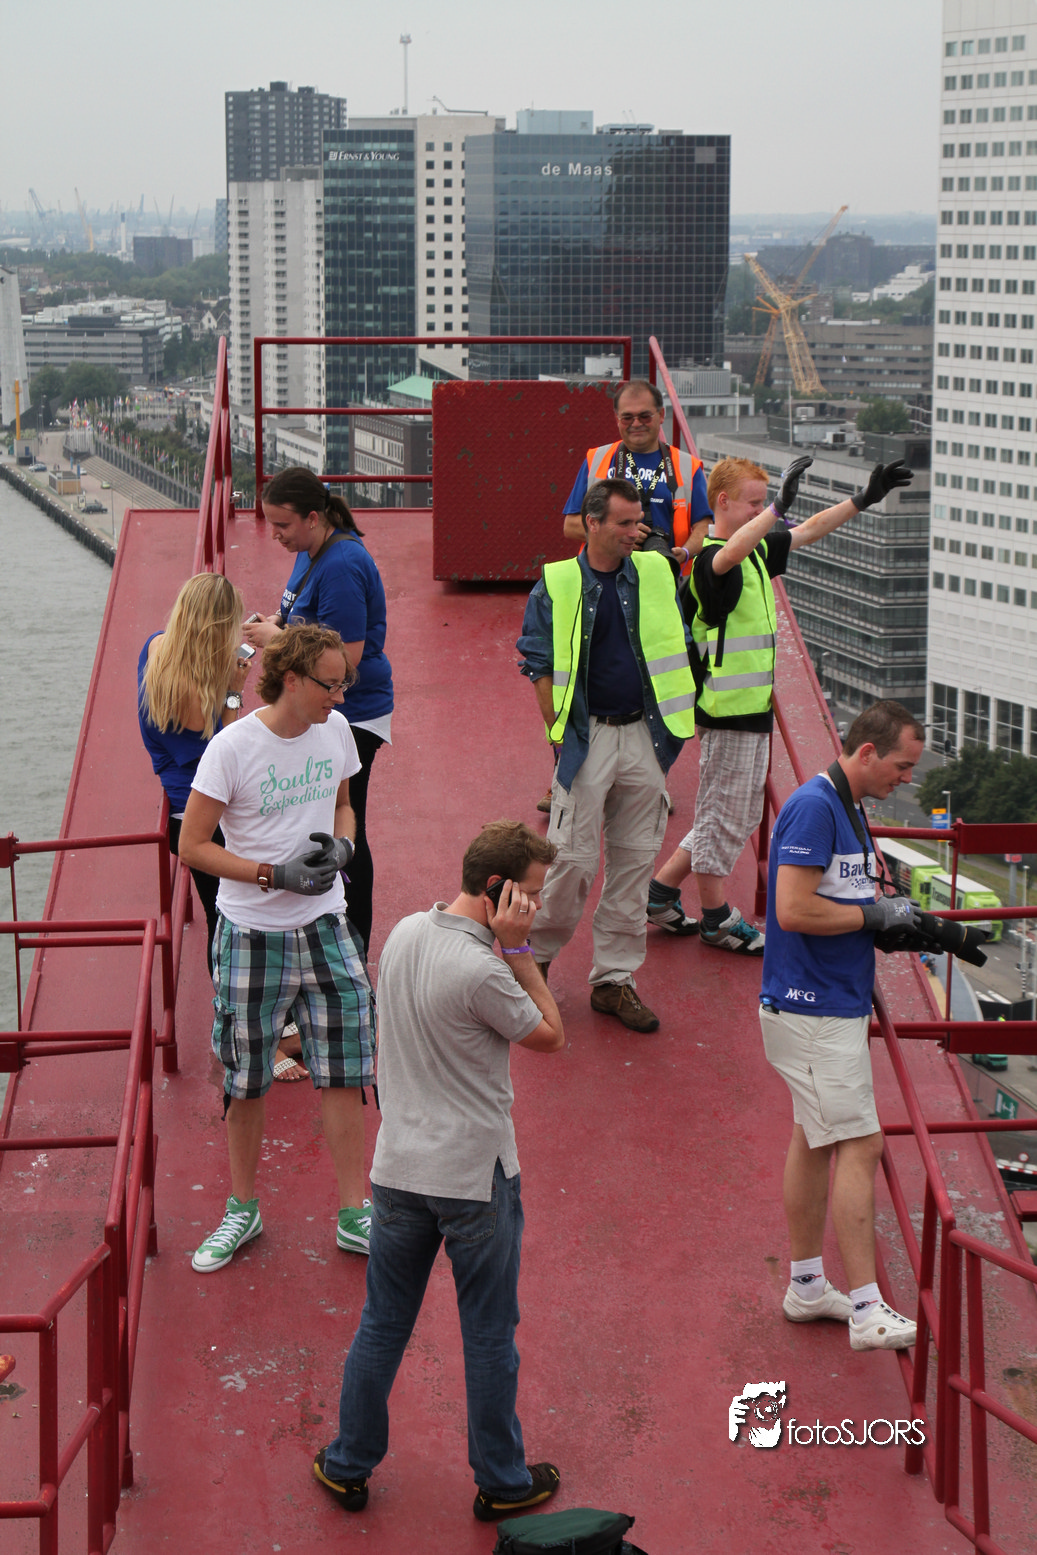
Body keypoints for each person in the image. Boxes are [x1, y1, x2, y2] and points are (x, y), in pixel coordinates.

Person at [313, 820, 564, 1523]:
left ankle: (347, 1463)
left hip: (396, 1170)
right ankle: (502, 1480)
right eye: (531, 893)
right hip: (473, 1180)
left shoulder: (401, 933)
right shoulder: (484, 969)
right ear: (497, 889)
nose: (536, 906)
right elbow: (550, 1034)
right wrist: (520, 953)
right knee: (487, 1334)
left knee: (382, 1323)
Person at [646, 453, 913, 952]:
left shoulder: (755, 555)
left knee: (730, 814)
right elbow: (727, 554)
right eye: (754, 503)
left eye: (764, 503)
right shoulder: (710, 561)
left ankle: (660, 893)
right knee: (726, 817)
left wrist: (863, 499)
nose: (761, 511)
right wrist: (777, 511)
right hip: (727, 711)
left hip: (748, 710)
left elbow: (808, 530)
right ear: (723, 502)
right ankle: (716, 919)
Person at [178, 624, 376, 1271]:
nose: (339, 698)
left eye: (343, 684)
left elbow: (344, 805)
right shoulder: (232, 749)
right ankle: (242, 1207)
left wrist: (342, 847)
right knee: (246, 1077)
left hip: (326, 925)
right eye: (329, 685)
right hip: (251, 934)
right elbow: (192, 846)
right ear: (291, 679)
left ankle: (354, 1213)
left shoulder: (335, 731)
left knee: (346, 1067)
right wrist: (273, 874)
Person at [759, 699, 923, 1351]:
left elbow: (837, 899)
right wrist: (872, 917)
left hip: (827, 1003)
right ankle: (866, 1308)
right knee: (861, 1143)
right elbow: (792, 909)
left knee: (815, 1136)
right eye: (901, 766)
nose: (906, 779)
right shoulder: (815, 806)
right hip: (813, 1009)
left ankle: (806, 1287)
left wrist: (885, 919)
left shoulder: (847, 806)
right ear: (866, 751)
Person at [517, 478, 697, 1033]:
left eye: (639, 521)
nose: (636, 532)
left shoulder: (656, 572)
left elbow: (679, 639)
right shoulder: (557, 583)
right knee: (570, 861)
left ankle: (614, 980)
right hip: (586, 737)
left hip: (646, 735)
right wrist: (557, 734)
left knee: (635, 862)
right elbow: (537, 662)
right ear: (591, 523)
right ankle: (535, 964)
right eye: (624, 523)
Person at [535, 379, 712, 814]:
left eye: (645, 416)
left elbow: (704, 526)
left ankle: (653, 778)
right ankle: (563, 776)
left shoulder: (686, 466)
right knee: (584, 678)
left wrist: (681, 553)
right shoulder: (598, 460)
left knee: (656, 682)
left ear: (661, 416)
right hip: (599, 584)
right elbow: (571, 525)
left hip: (659, 589)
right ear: (616, 419)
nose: (636, 424)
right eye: (627, 417)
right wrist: (620, 534)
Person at [244, 467, 393, 957]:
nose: (275, 534)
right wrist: (277, 623)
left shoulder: (342, 565)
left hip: (351, 713)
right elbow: (305, 620)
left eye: (282, 524)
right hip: (321, 707)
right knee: (324, 818)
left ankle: (353, 940)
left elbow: (346, 658)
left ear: (313, 517)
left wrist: (278, 639)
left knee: (345, 826)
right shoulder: (311, 550)